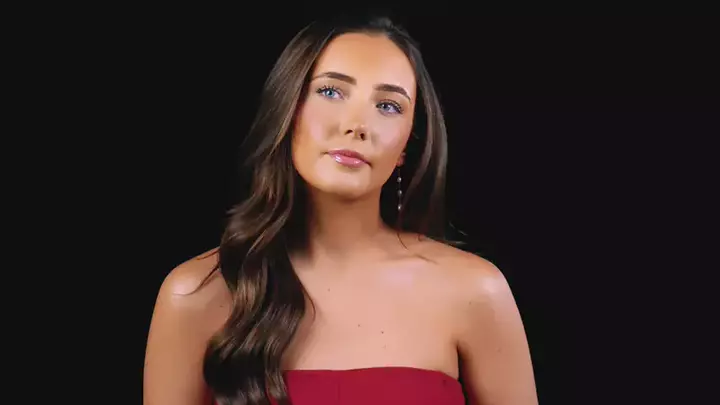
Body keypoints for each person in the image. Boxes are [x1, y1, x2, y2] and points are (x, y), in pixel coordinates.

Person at [143, 14, 538, 405]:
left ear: (406, 146)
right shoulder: (196, 295)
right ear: (287, 109)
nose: (357, 125)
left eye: (388, 106)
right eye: (331, 91)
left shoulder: (473, 292)